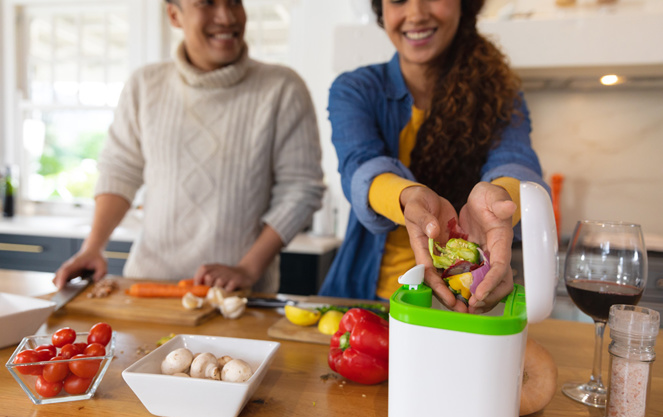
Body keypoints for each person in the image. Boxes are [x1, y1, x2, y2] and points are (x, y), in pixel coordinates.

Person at [54, 0, 325, 293]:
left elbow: (301, 190)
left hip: (234, 297)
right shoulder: (145, 84)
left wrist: (248, 268)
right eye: (207, 3)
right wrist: (92, 247)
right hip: (147, 288)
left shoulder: (282, 88)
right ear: (174, 15)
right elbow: (121, 170)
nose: (226, 16)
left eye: (234, 1)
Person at [318, 0, 547, 314]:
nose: (416, 14)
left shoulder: (501, 93)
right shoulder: (356, 89)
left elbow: (517, 162)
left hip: (464, 301)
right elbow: (361, 167)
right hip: (368, 300)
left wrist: (499, 200)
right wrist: (409, 197)